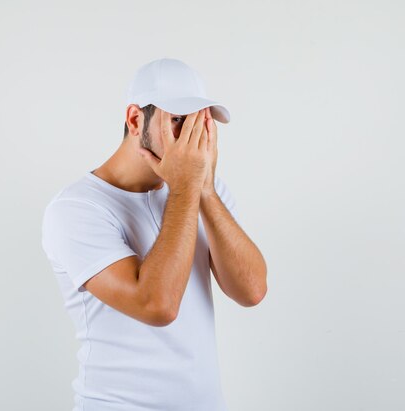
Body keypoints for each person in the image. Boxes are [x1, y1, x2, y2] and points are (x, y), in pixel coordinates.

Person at [41, 57, 268, 411]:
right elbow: (157, 305)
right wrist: (185, 190)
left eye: (199, 122)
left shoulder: (199, 187)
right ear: (135, 120)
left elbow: (252, 291)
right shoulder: (76, 208)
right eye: (178, 120)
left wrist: (204, 190)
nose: (191, 139)